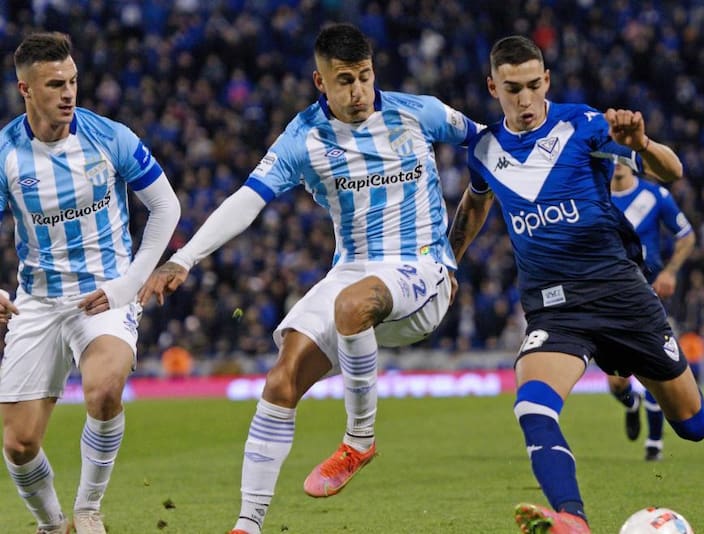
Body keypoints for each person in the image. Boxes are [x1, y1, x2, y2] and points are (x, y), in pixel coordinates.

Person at [137, 23, 480, 534]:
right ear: (321, 82)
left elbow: (491, 145)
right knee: (282, 378)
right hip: (353, 270)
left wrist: (468, 228)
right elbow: (247, 200)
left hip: (422, 268)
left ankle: (359, 441)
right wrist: (184, 259)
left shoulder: (419, 112)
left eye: (365, 77)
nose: (359, 91)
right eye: (345, 80)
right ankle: (247, 524)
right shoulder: (304, 137)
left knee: (350, 305)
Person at [447, 36, 704, 534]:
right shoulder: (484, 149)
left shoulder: (583, 124)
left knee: (694, 425)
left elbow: (673, 172)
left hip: (621, 295)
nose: (525, 100)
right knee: (532, 405)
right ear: (493, 87)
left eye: (533, 85)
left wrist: (642, 145)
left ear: (547, 80)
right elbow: (476, 203)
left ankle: (636, 381)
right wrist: (448, 262)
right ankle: (572, 518)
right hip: (555, 309)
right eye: (512, 89)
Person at [0, 32, 181, 534]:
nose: (68, 93)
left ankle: (87, 510)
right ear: (25, 89)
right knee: (18, 444)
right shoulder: (6, 153)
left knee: (103, 390)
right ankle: (54, 525)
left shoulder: (109, 137)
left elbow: (166, 207)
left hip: (104, 293)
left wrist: (130, 283)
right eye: (55, 84)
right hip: (37, 302)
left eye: (73, 81)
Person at [607, 157, 696, 461]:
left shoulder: (655, 195)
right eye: (611, 157)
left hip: (649, 292)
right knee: (617, 382)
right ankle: (630, 404)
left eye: (622, 156)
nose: (617, 163)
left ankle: (654, 443)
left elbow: (686, 235)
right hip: (609, 295)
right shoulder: (595, 195)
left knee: (653, 365)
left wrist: (670, 271)